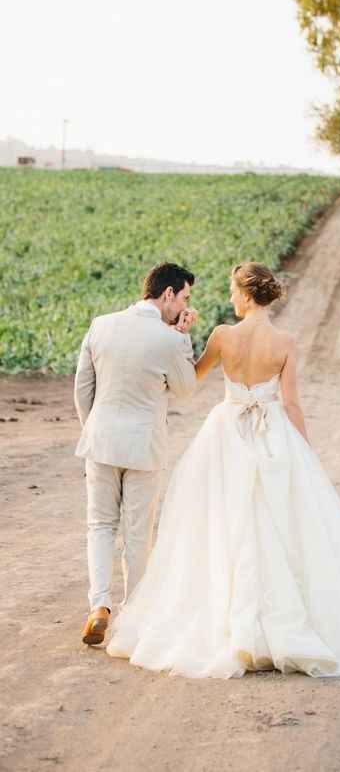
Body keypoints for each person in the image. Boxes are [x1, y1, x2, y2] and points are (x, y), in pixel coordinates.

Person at [106, 262, 340, 677]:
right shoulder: (286, 341)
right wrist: (304, 450)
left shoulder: (223, 335)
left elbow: (190, 380)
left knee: (224, 524)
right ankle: (283, 623)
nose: (229, 299)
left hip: (226, 432)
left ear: (245, 295)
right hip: (273, 433)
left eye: (231, 291)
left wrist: (179, 337)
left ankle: (228, 623)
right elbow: (292, 403)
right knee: (283, 522)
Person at [74, 262, 198, 646]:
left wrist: (93, 429)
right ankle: (133, 614)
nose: (185, 307)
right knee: (137, 533)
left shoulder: (101, 324)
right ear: (167, 295)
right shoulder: (169, 339)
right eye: (185, 298)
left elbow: (82, 388)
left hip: (101, 440)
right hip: (145, 446)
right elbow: (186, 389)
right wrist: (183, 338)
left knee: (99, 525)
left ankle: (99, 605)